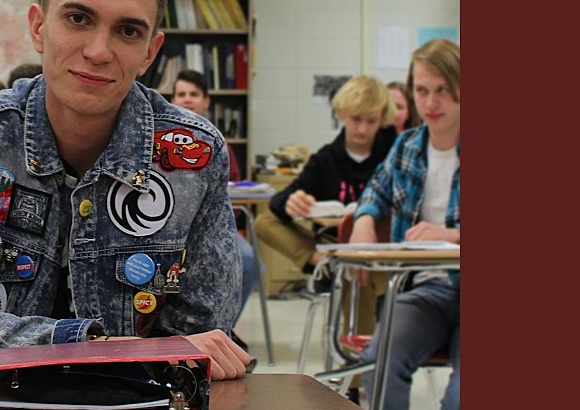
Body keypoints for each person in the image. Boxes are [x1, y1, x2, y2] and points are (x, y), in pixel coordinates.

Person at [0, 0, 253, 380]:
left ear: (150, 52)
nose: (98, 51)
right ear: (38, 27)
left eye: (127, 30)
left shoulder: (194, 156)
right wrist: (92, 347)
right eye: (78, 19)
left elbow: (201, 334)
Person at [354, 39, 461, 410]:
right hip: (424, 289)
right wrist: (364, 221)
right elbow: (376, 191)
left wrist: (451, 235)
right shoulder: (407, 146)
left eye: (443, 90)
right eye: (421, 90)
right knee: (378, 363)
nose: (430, 103)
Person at [253, 74, 397, 333]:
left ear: (383, 118)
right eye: (356, 119)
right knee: (264, 221)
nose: (362, 129)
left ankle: (358, 355)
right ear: (342, 114)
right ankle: (321, 262)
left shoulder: (393, 152)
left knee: (355, 272)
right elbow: (278, 203)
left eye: (371, 121)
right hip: (336, 242)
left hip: (380, 244)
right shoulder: (326, 158)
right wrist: (292, 202)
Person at [169, 69, 260, 330]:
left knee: (249, 260)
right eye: (181, 94)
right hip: (168, 229)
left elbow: (233, 203)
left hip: (212, 228)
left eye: (194, 94)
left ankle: (222, 330)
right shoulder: (157, 141)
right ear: (172, 100)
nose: (187, 99)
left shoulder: (218, 144)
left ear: (206, 101)